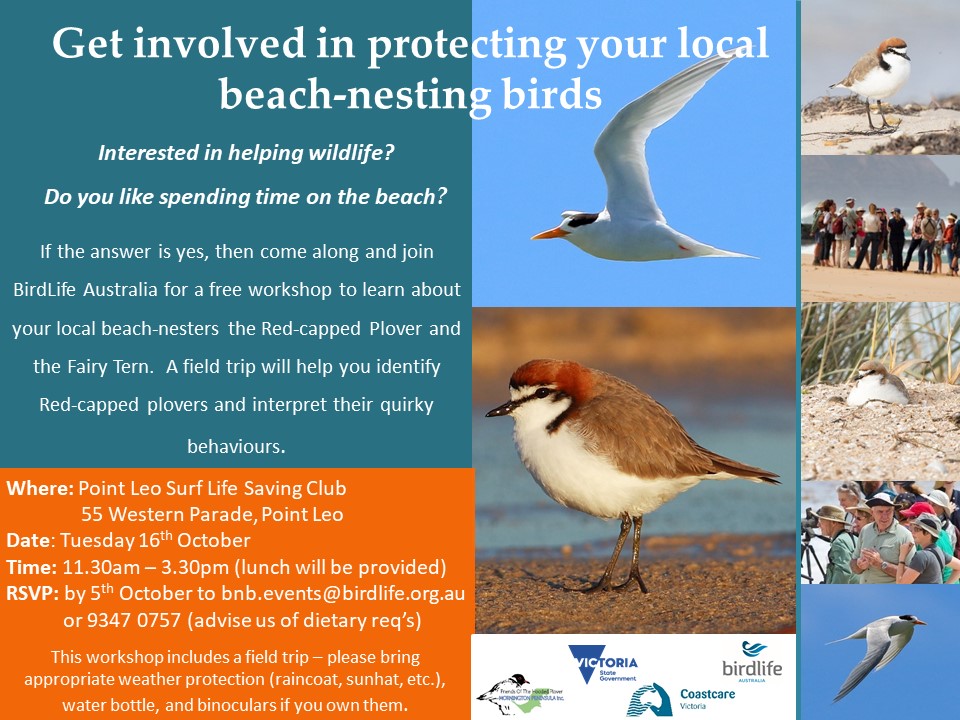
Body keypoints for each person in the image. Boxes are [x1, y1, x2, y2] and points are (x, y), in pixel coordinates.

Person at [850, 494, 914, 583]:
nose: (885, 516)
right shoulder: (865, 530)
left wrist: (881, 564)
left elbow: (911, 575)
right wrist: (859, 565)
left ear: (893, 511)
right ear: (872, 513)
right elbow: (853, 565)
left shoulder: (905, 535)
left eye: (888, 511)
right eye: (880, 512)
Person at [896, 513, 960, 584]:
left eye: (916, 529)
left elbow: (900, 585)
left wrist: (902, 557)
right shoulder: (938, 550)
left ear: (927, 533)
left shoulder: (921, 556)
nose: (912, 532)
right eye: (913, 528)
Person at [814, 505, 856, 584]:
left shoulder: (839, 541)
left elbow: (843, 572)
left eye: (821, 521)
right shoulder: (851, 537)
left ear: (833, 522)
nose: (818, 525)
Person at [854, 203, 882, 269]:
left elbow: (863, 226)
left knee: (863, 249)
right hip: (875, 233)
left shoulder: (866, 216)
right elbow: (879, 227)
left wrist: (865, 231)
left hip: (868, 233)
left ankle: (857, 265)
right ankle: (872, 266)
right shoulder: (876, 217)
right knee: (874, 251)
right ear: (875, 209)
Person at [904, 201, 926, 270]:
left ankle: (921, 268)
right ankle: (905, 266)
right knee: (910, 251)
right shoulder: (915, 216)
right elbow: (913, 225)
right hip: (915, 236)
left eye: (920, 208)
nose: (919, 209)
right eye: (918, 208)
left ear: (923, 208)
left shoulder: (926, 217)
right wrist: (912, 232)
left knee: (921, 253)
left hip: (922, 237)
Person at [918, 207, 938, 274]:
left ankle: (920, 269)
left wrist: (929, 238)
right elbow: (936, 232)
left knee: (920, 253)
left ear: (925, 213)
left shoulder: (923, 221)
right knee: (929, 255)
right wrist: (932, 238)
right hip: (932, 241)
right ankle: (929, 270)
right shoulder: (934, 221)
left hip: (925, 239)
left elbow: (923, 232)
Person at [887, 208, 907, 272]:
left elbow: (889, 229)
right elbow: (904, 228)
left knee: (895, 253)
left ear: (894, 213)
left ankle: (895, 268)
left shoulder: (891, 220)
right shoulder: (902, 220)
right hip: (901, 238)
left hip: (893, 238)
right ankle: (900, 268)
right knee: (899, 253)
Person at [839, 198, 857, 268]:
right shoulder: (851, 211)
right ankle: (845, 263)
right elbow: (856, 219)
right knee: (847, 248)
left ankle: (842, 263)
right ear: (850, 203)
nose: (854, 204)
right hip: (849, 232)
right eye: (853, 202)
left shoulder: (844, 210)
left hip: (843, 233)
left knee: (843, 248)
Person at [819, 200, 836, 266]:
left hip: (822, 231)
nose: (832, 206)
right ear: (829, 206)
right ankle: (826, 261)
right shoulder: (828, 214)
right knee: (827, 247)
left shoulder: (823, 213)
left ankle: (821, 261)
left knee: (823, 247)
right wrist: (830, 219)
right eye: (831, 205)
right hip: (827, 232)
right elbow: (825, 222)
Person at [932, 208, 946, 274]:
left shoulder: (941, 221)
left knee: (938, 255)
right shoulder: (931, 220)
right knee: (934, 255)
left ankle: (940, 270)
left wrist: (942, 239)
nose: (934, 215)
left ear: (938, 214)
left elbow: (944, 231)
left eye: (935, 214)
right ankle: (935, 269)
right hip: (933, 240)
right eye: (933, 214)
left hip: (938, 239)